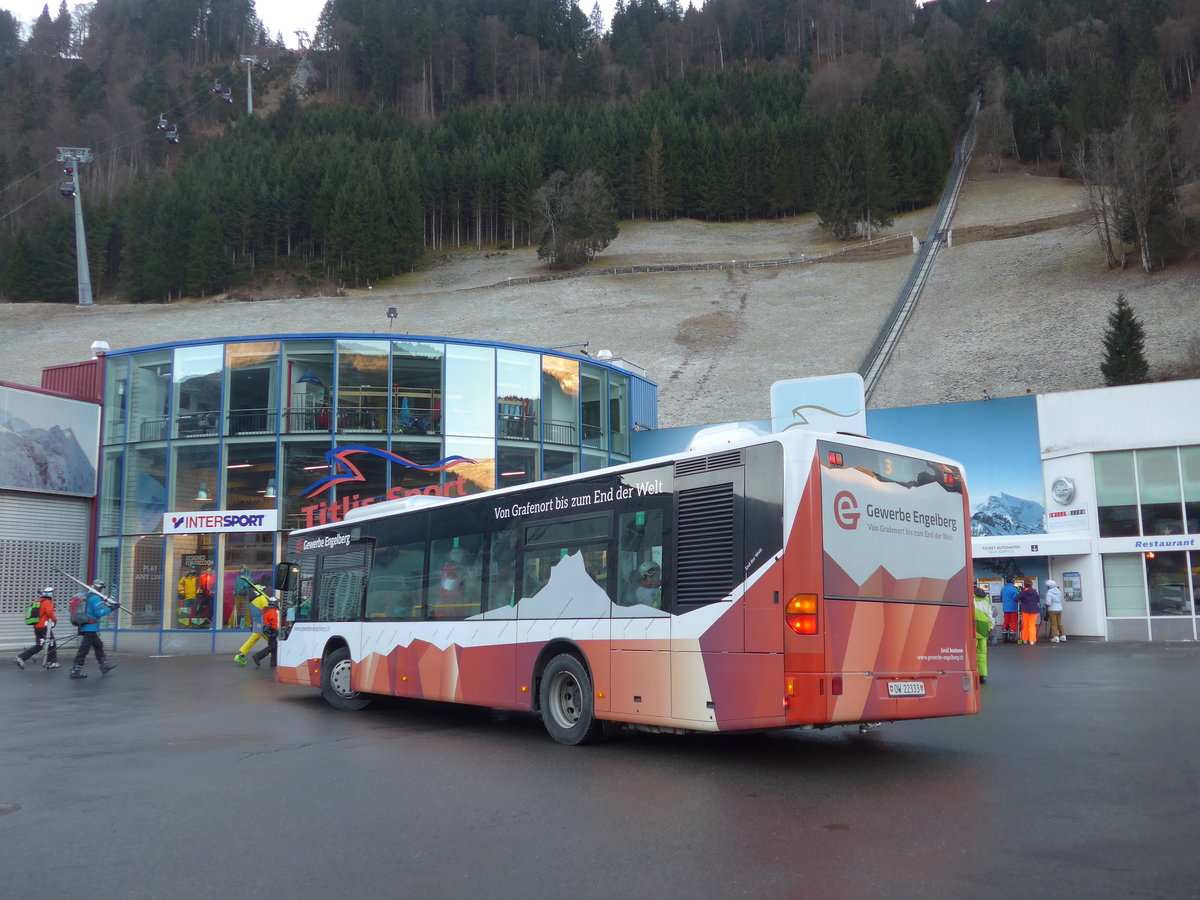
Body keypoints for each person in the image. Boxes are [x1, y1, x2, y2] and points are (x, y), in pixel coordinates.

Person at [70, 581, 118, 679]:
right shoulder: (96, 598)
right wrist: (111, 609)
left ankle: (104, 665)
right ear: (99, 588)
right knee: (84, 649)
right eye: (101, 588)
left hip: (85, 625)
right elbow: (99, 613)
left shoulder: (86, 596)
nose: (102, 590)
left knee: (98, 644)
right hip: (90, 627)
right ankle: (76, 669)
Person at [14, 587, 60, 670]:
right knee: (52, 644)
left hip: (37, 627)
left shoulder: (38, 601)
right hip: (45, 627)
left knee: (39, 646)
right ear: (51, 594)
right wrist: (54, 619)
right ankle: (51, 663)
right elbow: (49, 612)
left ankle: (21, 657)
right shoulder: (47, 602)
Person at [233, 579, 271, 665]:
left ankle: (241, 655)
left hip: (256, 622)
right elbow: (266, 609)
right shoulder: (262, 598)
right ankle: (240, 655)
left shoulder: (252, 600)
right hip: (262, 623)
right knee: (269, 640)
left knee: (263, 639)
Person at [972, 583, 994, 683]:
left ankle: (973, 674)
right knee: (982, 653)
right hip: (984, 628)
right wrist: (991, 627)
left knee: (972, 653)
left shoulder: (970, 599)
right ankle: (982, 675)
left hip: (973, 627)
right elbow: (990, 616)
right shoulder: (986, 600)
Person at [252, 599, 280, 667]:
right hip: (271, 630)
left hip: (267, 630)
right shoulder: (272, 611)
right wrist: (275, 629)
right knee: (272, 647)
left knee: (274, 646)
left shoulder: (266, 610)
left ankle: (273, 663)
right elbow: (273, 620)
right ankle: (258, 656)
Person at [1017, 579, 1041, 645]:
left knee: (1025, 625)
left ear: (1024, 585)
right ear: (1031, 585)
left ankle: (1024, 639)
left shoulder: (1023, 592)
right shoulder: (1034, 592)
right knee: (1032, 625)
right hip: (1034, 610)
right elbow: (1038, 600)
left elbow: (1016, 598)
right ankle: (1032, 640)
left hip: (1025, 610)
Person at [1000, 576, 1020, 642]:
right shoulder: (1014, 589)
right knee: (1014, 621)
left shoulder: (1003, 589)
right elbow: (1016, 598)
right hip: (1013, 608)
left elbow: (1001, 598)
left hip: (1005, 608)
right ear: (1013, 582)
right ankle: (1011, 636)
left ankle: (1004, 636)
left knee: (1006, 621)